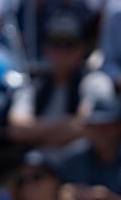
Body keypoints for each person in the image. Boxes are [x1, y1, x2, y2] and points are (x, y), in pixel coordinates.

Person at [54, 72, 121, 200]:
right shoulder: (74, 157)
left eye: (107, 126)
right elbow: (52, 189)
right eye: (95, 126)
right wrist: (71, 197)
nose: (101, 132)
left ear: (120, 127)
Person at [6, 13, 90, 147]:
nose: (62, 52)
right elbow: (17, 129)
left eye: (70, 44)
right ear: (46, 48)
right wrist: (66, 126)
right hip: (37, 161)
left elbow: (88, 126)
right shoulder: (35, 84)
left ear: (83, 48)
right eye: (56, 44)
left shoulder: (93, 82)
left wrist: (36, 130)